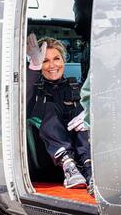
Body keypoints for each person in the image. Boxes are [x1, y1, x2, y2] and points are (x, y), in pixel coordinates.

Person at [26, 34, 92, 189]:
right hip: (49, 160)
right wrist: (34, 66)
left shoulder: (79, 89)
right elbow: (21, 104)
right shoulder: (33, 90)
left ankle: (90, 171)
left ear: (64, 60)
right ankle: (68, 164)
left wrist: (90, 113)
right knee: (50, 109)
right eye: (45, 61)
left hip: (83, 158)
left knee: (82, 113)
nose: (52, 65)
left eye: (56, 58)